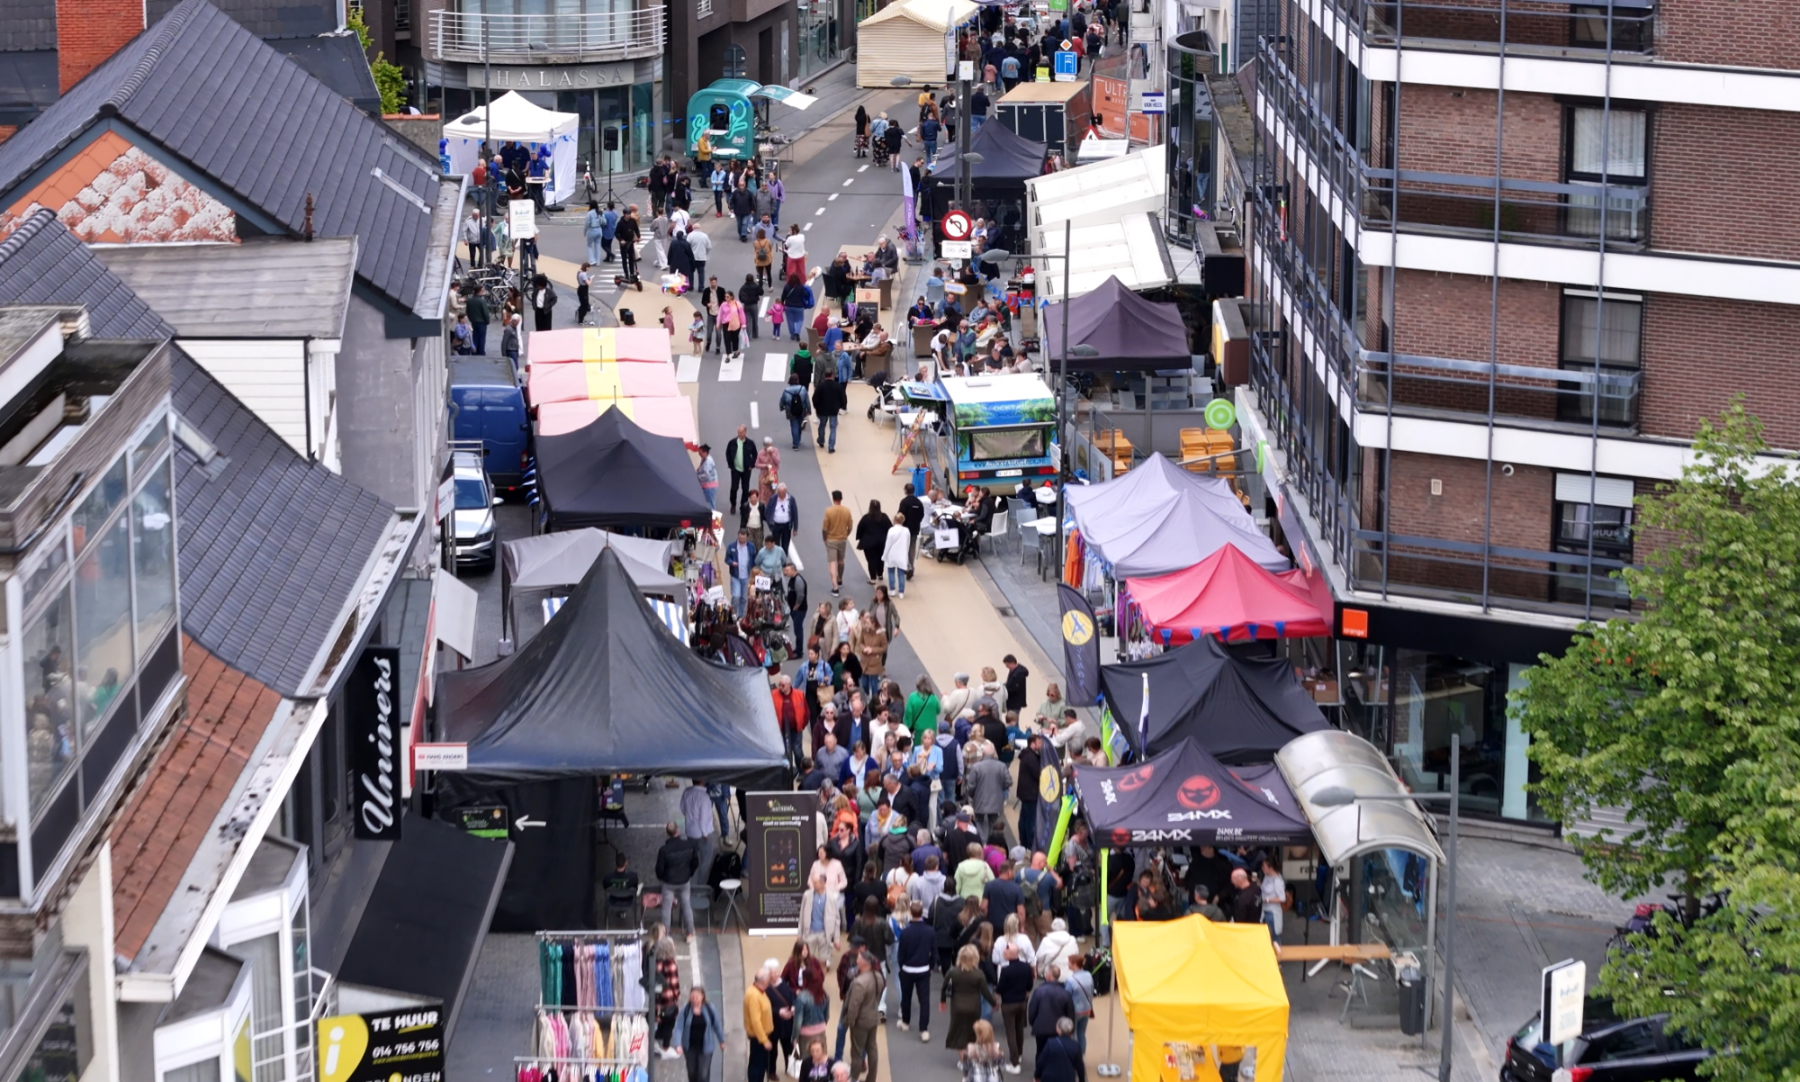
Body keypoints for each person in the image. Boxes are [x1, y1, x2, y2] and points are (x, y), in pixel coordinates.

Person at [896, 900, 936, 1041]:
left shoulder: (905, 932)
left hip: (907, 969)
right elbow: (934, 953)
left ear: (911, 913)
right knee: (924, 1001)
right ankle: (923, 1029)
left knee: (906, 997)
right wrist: (930, 966)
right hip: (923, 969)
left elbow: (901, 954)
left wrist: (902, 966)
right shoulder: (930, 931)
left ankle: (906, 1022)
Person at [655, 821, 700, 940]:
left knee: (666, 909)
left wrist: (662, 877)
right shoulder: (690, 845)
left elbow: (659, 869)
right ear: (678, 830)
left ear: (667, 833)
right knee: (686, 906)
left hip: (669, 882)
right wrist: (689, 872)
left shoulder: (664, 850)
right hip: (684, 880)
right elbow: (695, 862)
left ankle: (666, 935)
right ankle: (690, 932)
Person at [844, 950, 884, 1081]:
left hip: (860, 1022)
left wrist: (850, 1022)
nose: (856, 961)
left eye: (859, 959)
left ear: (865, 963)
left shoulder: (859, 982)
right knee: (872, 1048)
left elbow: (853, 1006)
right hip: (873, 1017)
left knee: (856, 1052)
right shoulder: (878, 976)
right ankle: (871, 1078)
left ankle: (853, 1078)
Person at [995, 942, 1033, 1071]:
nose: (1004, 954)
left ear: (1011, 954)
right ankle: (1019, 1054)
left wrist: (996, 999)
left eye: (1005, 952)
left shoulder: (1006, 970)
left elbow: (1000, 988)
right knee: (1019, 1030)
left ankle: (1014, 1063)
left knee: (1010, 1032)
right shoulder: (1026, 967)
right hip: (1022, 1002)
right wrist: (1026, 993)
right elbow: (1030, 984)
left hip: (1008, 1004)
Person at [681, 779, 719, 907]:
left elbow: (682, 808)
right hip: (703, 834)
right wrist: (705, 834)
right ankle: (700, 889)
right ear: (703, 781)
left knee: (693, 860)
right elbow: (704, 819)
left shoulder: (687, 792)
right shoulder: (704, 798)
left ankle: (689, 885)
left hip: (690, 831)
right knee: (705, 862)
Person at [674, 987, 723, 1082]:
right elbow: (679, 1027)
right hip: (690, 1047)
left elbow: (717, 1025)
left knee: (703, 1074)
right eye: (692, 997)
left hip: (706, 1047)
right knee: (692, 1072)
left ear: (702, 997)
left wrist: (722, 1040)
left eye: (697, 997)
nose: (694, 999)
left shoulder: (709, 1009)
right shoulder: (686, 1010)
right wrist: (678, 1044)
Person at [1027, 964, 1074, 1061]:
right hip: (1060, 1029)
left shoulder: (1039, 991)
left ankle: (1040, 1074)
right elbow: (1070, 1013)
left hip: (1042, 1028)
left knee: (1041, 1052)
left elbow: (1032, 1010)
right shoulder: (1065, 993)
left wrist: (1033, 1022)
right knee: (1058, 1053)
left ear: (1048, 975)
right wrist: (1070, 1030)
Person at [652, 928, 683, 1056]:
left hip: (657, 999)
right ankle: (665, 1048)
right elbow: (674, 984)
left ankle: (655, 1038)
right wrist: (677, 996)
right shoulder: (671, 963)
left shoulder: (655, 962)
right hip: (668, 999)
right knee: (669, 1024)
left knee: (660, 1021)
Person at [745, 972, 775, 1082]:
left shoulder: (759, 992)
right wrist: (764, 1040)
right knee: (756, 1064)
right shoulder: (754, 996)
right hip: (758, 1036)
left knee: (761, 1064)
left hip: (764, 1034)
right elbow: (755, 1021)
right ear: (764, 981)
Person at [1062, 955, 1096, 1052]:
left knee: (1074, 1034)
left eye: (1069, 962)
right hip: (1087, 1009)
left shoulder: (1070, 980)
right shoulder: (1088, 975)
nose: (1067, 964)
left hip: (1075, 1010)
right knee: (1082, 1033)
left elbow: (1067, 996)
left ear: (1074, 964)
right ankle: (1081, 1054)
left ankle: (1075, 1055)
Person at [773, 674, 809, 769]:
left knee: (797, 751)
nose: (780, 687)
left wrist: (802, 725)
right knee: (784, 752)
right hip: (780, 730)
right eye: (779, 685)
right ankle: (787, 772)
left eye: (783, 685)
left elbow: (806, 712)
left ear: (789, 684)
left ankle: (801, 771)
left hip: (796, 730)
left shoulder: (799, 694)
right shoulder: (773, 695)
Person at [1034, 1017, 1085, 1082]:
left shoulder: (1050, 1043)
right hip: (1068, 1078)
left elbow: (1041, 1061)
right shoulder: (1076, 1046)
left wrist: (1037, 1076)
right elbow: (1080, 1066)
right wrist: (1082, 1080)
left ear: (1058, 1029)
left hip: (1049, 1078)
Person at [823, 490, 853, 595]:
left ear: (833, 498)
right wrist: (845, 535)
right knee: (841, 561)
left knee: (832, 563)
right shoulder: (847, 511)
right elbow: (850, 526)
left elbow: (825, 527)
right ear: (841, 498)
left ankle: (835, 588)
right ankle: (840, 578)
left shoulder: (829, 511)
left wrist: (825, 538)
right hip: (842, 539)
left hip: (831, 539)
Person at [960, 1018, 1007, 1082]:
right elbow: (1002, 1067)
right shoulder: (997, 1048)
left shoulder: (970, 1048)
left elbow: (966, 1067)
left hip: (976, 1077)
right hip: (993, 1078)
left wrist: (965, 1077)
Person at [856, 500, 890, 583]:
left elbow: (860, 529)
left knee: (871, 560)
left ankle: (873, 578)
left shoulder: (866, 518)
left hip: (869, 543)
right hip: (882, 542)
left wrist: (859, 538)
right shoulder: (884, 517)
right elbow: (890, 528)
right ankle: (880, 574)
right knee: (880, 558)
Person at [724, 425, 755, 515]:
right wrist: (731, 465)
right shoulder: (732, 443)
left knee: (745, 489)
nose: (739, 434)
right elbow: (728, 454)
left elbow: (755, 455)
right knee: (734, 488)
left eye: (741, 433)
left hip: (746, 470)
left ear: (745, 432)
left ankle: (743, 506)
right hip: (735, 469)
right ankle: (733, 504)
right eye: (738, 432)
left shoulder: (750, 443)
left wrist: (751, 465)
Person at [813, 370, 847, 453]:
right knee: (833, 428)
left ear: (825, 376)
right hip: (834, 410)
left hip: (823, 409)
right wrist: (841, 406)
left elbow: (815, 398)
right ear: (832, 375)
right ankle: (831, 447)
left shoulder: (820, 386)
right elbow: (843, 397)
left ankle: (821, 440)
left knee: (822, 425)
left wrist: (817, 408)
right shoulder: (838, 386)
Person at [881, 512, 912, 598]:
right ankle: (901, 592)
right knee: (901, 574)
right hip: (902, 555)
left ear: (894, 520)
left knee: (891, 572)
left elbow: (888, 544)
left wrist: (884, 555)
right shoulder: (906, 531)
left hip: (892, 554)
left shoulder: (891, 530)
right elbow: (908, 544)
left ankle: (892, 590)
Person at [1259, 855, 1287, 939]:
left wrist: (1267, 900)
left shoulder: (1278, 881)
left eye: (1264, 866)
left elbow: (1282, 898)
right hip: (1264, 911)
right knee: (1266, 937)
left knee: (1274, 938)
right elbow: (1264, 888)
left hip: (1272, 913)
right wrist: (1258, 882)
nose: (1262, 868)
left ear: (1270, 867)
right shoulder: (1267, 877)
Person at [768, 482, 799, 551]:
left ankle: (784, 560)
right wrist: (770, 523)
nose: (781, 495)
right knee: (776, 546)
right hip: (776, 525)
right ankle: (778, 561)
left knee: (785, 546)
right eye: (779, 493)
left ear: (786, 492)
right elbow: (767, 511)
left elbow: (795, 514)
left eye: (783, 493)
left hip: (786, 526)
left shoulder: (791, 499)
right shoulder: (773, 499)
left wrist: (795, 529)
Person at [785, 563, 809, 652]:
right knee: (796, 629)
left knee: (798, 630)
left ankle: (799, 651)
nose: (785, 572)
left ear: (793, 570)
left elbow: (800, 596)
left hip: (799, 610)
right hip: (794, 609)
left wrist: (795, 607)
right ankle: (798, 649)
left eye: (787, 570)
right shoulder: (792, 579)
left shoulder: (798, 581)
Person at [755, 436, 782, 502]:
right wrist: (765, 465)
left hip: (773, 475)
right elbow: (756, 464)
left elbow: (778, 461)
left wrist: (772, 454)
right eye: (768, 445)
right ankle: (763, 507)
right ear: (765, 446)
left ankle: (771, 505)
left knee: (773, 490)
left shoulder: (775, 451)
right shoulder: (761, 453)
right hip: (764, 475)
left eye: (771, 445)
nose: (770, 447)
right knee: (763, 492)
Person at [694, 443, 718, 510]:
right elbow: (700, 468)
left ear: (704, 452)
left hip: (709, 486)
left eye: (700, 452)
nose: (699, 454)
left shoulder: (708, 462)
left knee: (710, 503)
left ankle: (712, 515)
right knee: (709, 501)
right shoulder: (704, 459)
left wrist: (698, 477)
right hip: (707, 485)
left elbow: (706, 475)